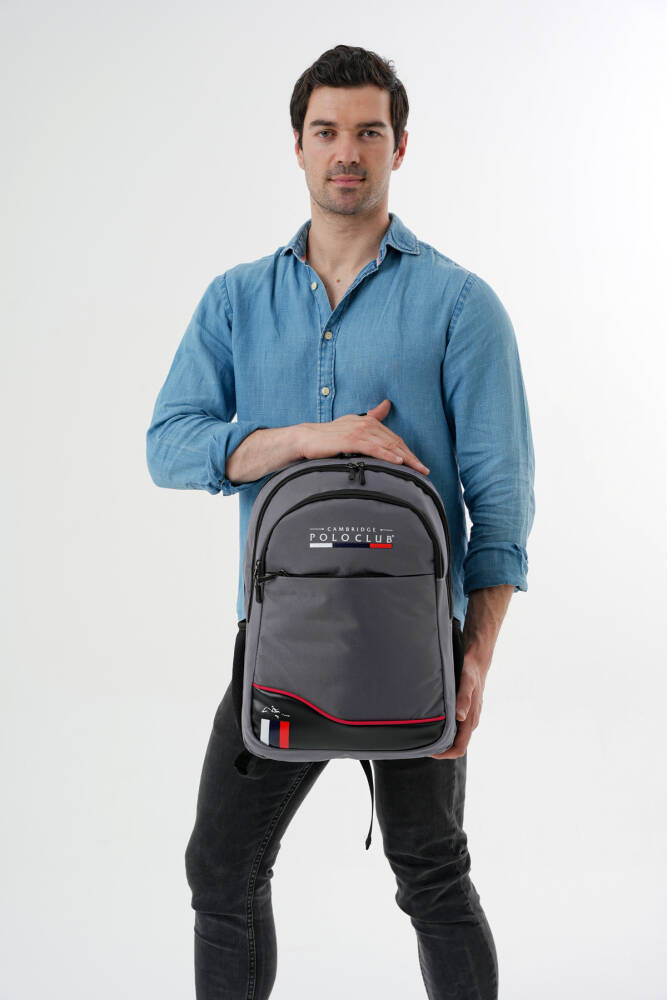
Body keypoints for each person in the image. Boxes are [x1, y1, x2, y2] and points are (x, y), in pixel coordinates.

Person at [146, 43, 535, 1000]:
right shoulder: (237, 300)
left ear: (399, 146)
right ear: (298, 146)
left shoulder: (460, 305)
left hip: (418, 642)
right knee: (220, 869)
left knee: (430, 873)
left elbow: (501, 503)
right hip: (280, 638)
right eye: (326, 131)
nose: (346, 152)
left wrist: (475, 658)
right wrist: (306, 440)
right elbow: (168, 444)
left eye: (368, 131)